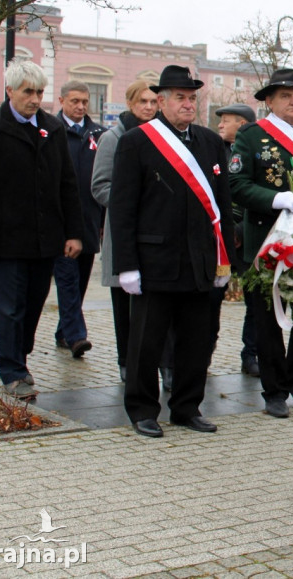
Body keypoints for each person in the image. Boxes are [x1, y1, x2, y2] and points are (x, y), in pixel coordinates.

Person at [109, 65, 235, 438]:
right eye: (179, 97)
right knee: (147, 341)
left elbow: (222, 206)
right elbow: (122, 208)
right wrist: (126, 266)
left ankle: (186, 407)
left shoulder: (210, 142)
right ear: (161, 101)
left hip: (200, 261)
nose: (187, 104)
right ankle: (143, 409)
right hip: (154, 262)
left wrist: (224, 257)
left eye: (192, 97)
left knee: (196, 340)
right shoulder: (137, 142)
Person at [0, 59, 83, 399]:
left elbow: (67, 183)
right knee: (9, 307)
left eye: (40, 92)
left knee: (33, 305)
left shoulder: (53, 127)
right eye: (28, 92)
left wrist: (73, 232)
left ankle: (20, 356)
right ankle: (12, 370)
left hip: (45, 238)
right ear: (10, 92)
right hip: (6, 240)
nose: (35, 99)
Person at [230, 68, 293, 417]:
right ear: (269, 100)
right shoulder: (252, 137)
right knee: (267, 318)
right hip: (266, 241)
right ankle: (274, 391)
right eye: (286, 96)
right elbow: (236, 184)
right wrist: (274, 198)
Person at [92, 79, 159, 382]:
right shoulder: (113, 138)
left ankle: (156, 362)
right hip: (124, 231)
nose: (148, 107)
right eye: (142, 101)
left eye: (153, 101)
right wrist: (130, 205)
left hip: (157, 233)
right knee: (124, 301)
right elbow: (100, 186)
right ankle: (125, 361)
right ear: (131, 103)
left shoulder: (163, 136)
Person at [52, 80, 105, 358]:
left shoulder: (98, 134)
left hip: (89, 220)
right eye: (75, 101)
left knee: (81, 281)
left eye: (85, 101)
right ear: (62, 101)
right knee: (67, 279)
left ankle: (63, 330)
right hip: (61, 224)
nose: (81, 106)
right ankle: (76, 336)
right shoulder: (51, 131)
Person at [214, 103, 259, 378]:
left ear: (242, 125)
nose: (220, 125)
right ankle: (202, 354)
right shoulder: (212, 150)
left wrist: (240, 231)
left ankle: (251, 354)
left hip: (246, 237)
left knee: (255, 302)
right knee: (208, 302)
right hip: (216, 238)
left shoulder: (256, 153)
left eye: (226, 121)